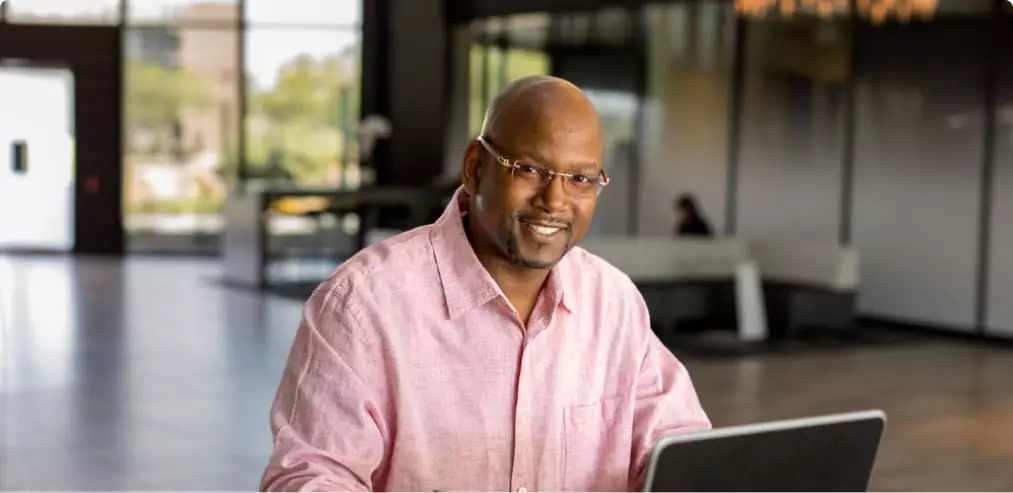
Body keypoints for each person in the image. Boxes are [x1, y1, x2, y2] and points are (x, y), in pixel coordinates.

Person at [260, 75, 711, 492]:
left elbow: (678, 452)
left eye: (579, 179)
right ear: (475, 169)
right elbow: (309, 478)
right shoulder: (363, 305)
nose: (554, 200)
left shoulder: (613, 304)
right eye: (530, 169)